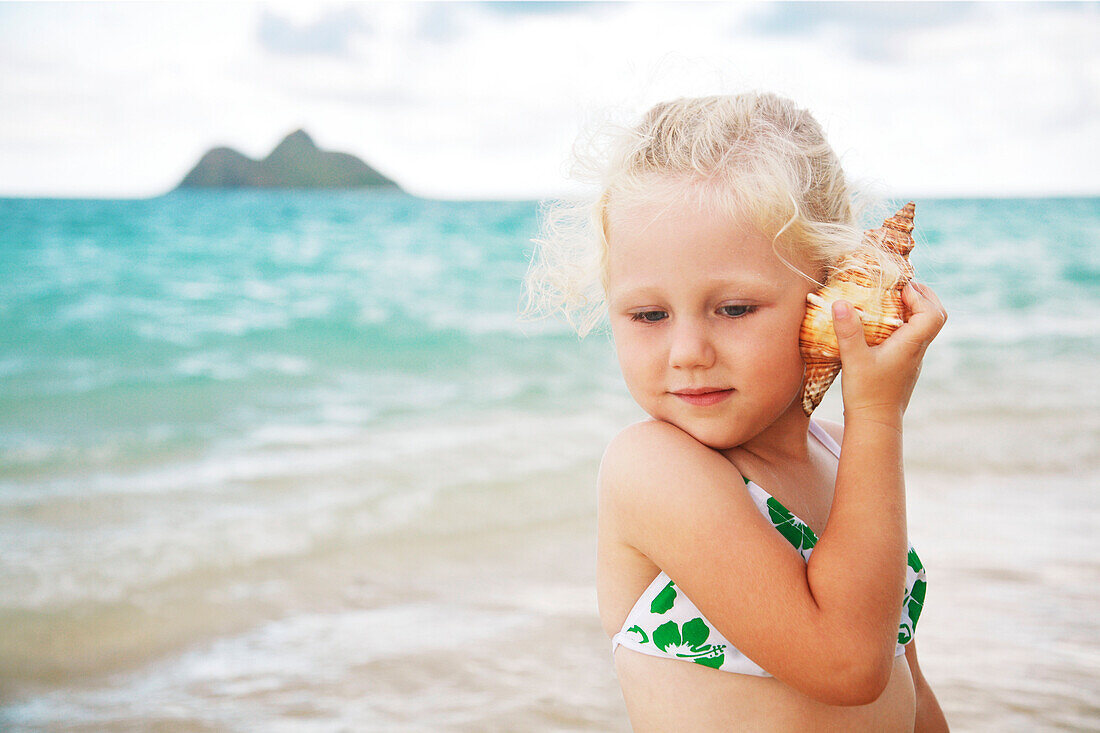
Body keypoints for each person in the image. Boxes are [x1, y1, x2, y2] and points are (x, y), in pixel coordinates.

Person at [525, 92, 950, 731]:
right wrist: (878, 417)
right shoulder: (657, 468)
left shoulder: (846, 455)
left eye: (734, 309)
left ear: (828, 293)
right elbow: (849, 666)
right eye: (648, 315)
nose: (689, 352)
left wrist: (867, 427)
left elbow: (904, 680)